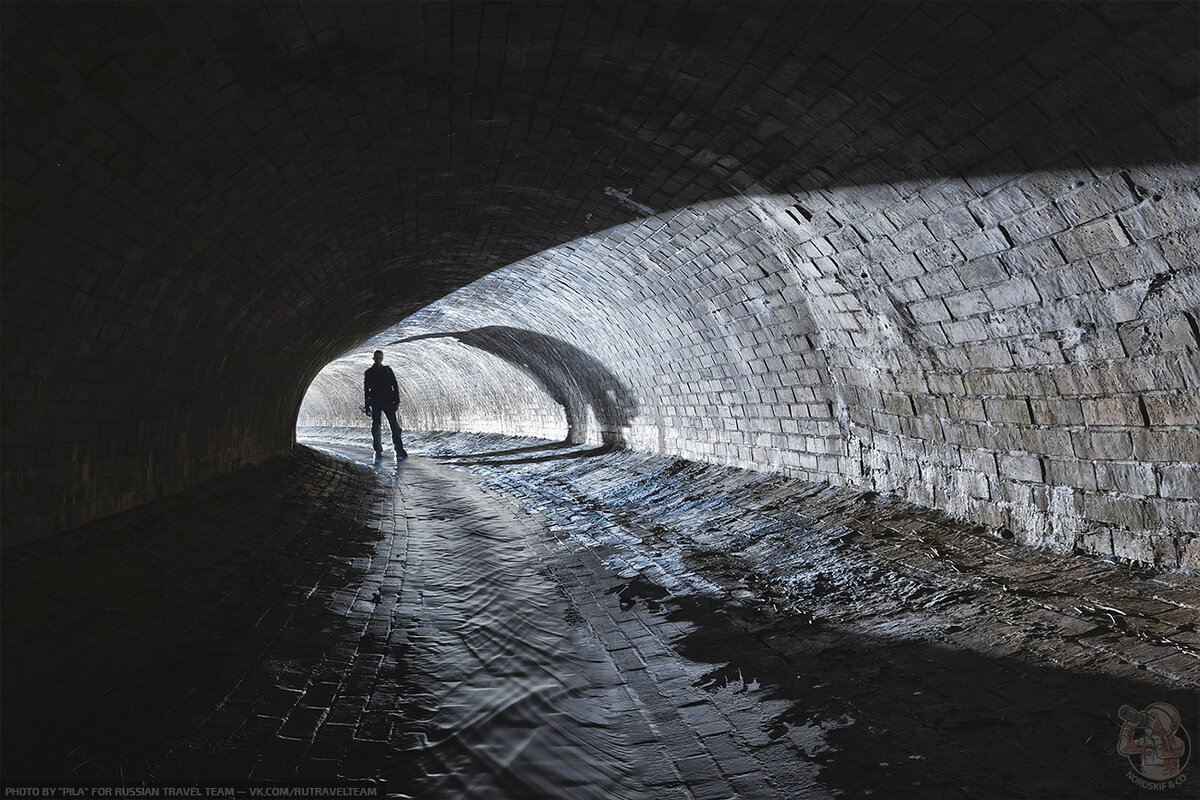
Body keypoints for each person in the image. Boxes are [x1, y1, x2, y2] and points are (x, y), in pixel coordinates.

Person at [363, 350, 407, 459]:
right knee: (376, 426)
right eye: (376, 358)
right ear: (373, 358)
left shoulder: (387, 370)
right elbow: (366, 389)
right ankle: (377, 448)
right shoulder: (369, 372)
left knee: (394, 425)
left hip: (388, 402)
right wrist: (367, 405)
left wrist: (397, 401)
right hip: (376, 402)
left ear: (382, 358)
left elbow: (395, 386)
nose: (378, 360)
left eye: (380, 358)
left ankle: (399, 448)